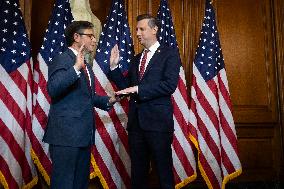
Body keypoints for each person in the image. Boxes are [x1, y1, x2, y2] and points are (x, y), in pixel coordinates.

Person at [109, 14, 181, 189]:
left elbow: (169, 85)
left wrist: (139, 89)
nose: (138, 33)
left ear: (154, 29)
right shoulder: (136, 59)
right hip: (136, 126)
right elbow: (128, 87)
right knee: (138, 175)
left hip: (158, 125)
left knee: (163, 174)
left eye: (142, 29)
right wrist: (114, 68)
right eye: (136, 30)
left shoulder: (170, 54)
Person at [43, 21, 117, 189]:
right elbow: (53, 89)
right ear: (76, 37)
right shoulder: (62, 59)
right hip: (66, 137)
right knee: (64, 184)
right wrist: (76, 68)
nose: (94, 40)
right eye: (90, 36)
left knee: (80, 183)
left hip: (83, 136)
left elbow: (85, 97)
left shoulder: (85, 64)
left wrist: (108, 100)